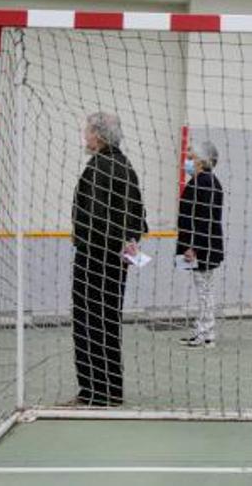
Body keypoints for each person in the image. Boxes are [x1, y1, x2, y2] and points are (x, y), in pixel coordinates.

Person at [72, 111, 147, 406]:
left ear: (99, 135)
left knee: (89, 320)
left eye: (88, 131)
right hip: (115, 260)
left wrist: (85, 242)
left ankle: (93, 390)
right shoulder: (125, 165)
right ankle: (111, 389)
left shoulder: (100, 167)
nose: (85, 136)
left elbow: (94, 218)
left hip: (95, 258)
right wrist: (129, 243)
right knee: (108, 321)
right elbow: (136, 215)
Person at [176, 141, 224, 348]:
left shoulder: (203, 183)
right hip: (204, 245)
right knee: (204, 289)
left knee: (205, 290)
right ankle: (201, 330)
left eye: (191, 157)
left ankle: (206, 334)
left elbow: (204, 219)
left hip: (202, 248)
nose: (187, 161)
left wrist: (193, 246)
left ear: (202, 161)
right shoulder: (206, 181)